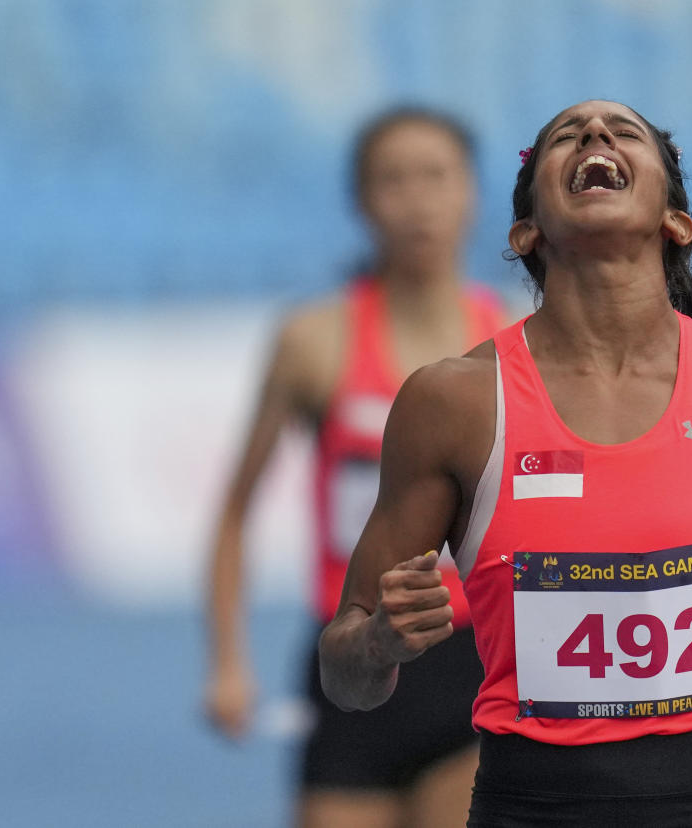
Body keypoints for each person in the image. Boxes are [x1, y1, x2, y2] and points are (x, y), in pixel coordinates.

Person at [319, 100, 692, 826]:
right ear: (526, 231)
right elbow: (342, 668)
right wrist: (380, 640)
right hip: (533, 810)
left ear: (676, 222)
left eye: (622, 132)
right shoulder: (454, 405)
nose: (596, 135)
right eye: (566, 137)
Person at [204, 107, 508, 828]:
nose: (418, 202)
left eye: (436, 177)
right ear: (362, 201)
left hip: (472, 663)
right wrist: (227, 662)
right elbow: (234, 514)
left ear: (470, 192)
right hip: (347, 656)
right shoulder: (313, 343)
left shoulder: (513, 341)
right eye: (393, 181)